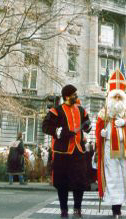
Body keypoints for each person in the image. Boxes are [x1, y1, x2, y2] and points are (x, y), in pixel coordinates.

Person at [95, 69, 126, 218]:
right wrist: (101, 135)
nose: (117, 100)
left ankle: (118, 207)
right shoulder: (104, 113)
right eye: (114, 97)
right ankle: (114, 208)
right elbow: (98, 129)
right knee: (112, 178)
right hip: (109, 151)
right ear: (109, 98)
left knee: (121, 179)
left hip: (124, 151)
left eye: (119, 97)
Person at [42, 84, 92, 218]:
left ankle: (77, 209)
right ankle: (64, 210)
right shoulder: (56, 110)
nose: (77, 96)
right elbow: (45, 126)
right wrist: (58, 131)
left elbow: (87, 125)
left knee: (79, 182)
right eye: (74, 94)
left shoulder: (81, 110)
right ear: (67, 96)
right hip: (62, 153)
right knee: (62, 183)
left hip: (78, 151)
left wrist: (88, 126)